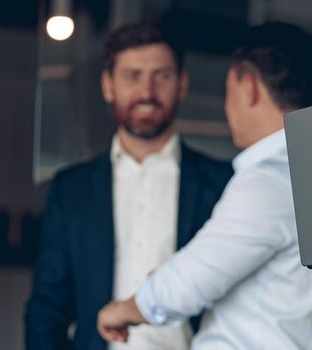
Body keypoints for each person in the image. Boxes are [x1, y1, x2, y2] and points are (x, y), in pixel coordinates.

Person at [94, 22, 312, 349]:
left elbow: (189, 283)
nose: (227, 107)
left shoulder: (268, 181)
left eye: (228, 91)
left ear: (249, 87)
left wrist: (123, 309)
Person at [24, 21, 233, 350]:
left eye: (161, 75)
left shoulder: (223, 182)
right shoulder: (70, 189)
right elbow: (47, 307)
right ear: (108, 86)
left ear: (182, 84)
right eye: (132, 76)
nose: (147, 92)